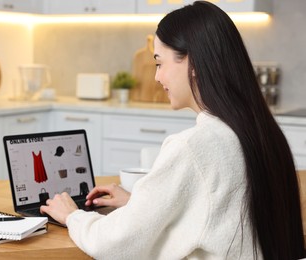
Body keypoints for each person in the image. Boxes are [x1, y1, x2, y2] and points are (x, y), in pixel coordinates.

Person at [40, 1, 305, 259]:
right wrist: (139, 203)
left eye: (159, 63)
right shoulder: (262, 132)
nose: (156, 77)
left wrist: (72, 215)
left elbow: (115, 244)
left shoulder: (193, 146)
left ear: (193, 63)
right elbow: (220, 215)